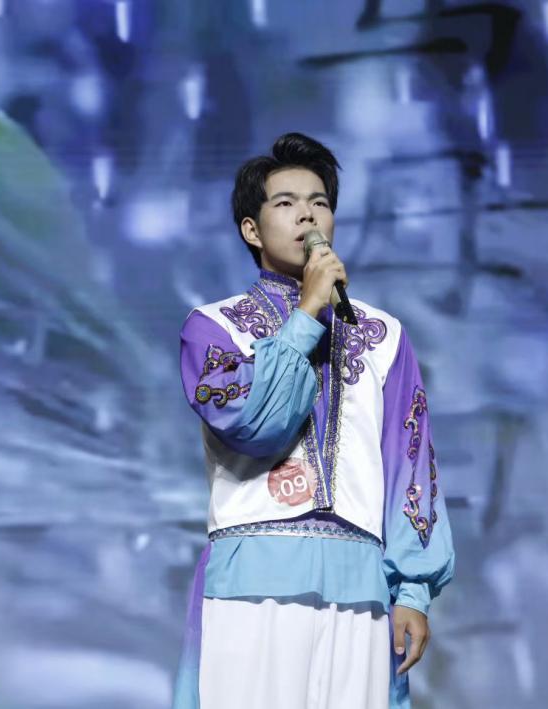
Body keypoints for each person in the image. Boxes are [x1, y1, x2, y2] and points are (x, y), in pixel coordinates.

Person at [173, 132, 455, 709]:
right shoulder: (215, 328)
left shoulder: (385, 336)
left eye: (320, 202)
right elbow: (255, 424)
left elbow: (410, 465)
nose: (307, 214)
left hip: (361, 585)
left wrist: (413, 592)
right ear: (252, 230)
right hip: (253, 580)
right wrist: (307, 311)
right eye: (286, 203)